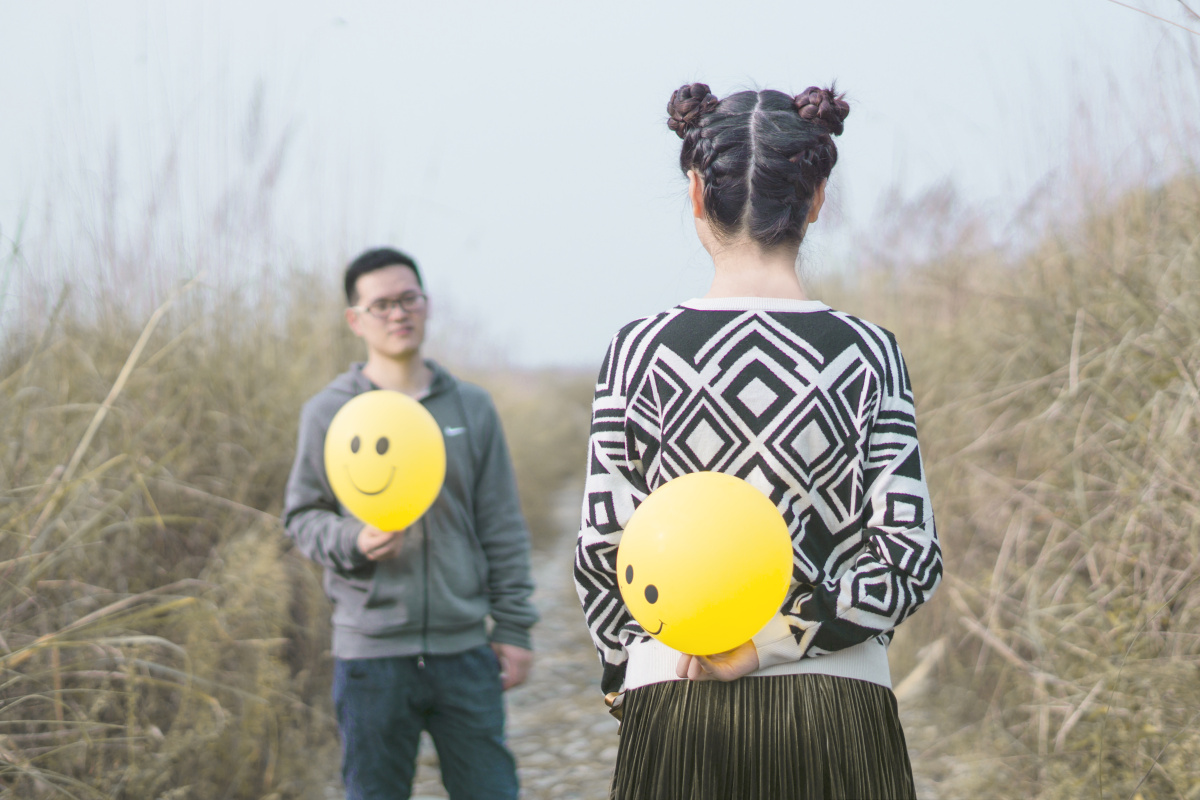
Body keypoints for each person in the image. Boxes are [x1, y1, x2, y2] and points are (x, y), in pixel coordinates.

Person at [573, 83, 943, 799]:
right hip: (837, 707)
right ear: (816, 199)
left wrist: (625, 674)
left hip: (679, 699)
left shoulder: (638, 352)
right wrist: (776, 640)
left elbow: (603, 549)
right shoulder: (868, 353)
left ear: (696, 193)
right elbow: (908, 557)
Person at [283, 247, 537, 800]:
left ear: (426, 304)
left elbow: (501, 524)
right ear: (355, 319)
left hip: (463, 650)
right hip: (370, 656)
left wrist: (514, 628)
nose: (398, 313)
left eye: (408, 299)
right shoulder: (329, 412)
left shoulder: (471, 407)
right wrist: (354, 540)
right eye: (381, 305)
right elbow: (301, 517)